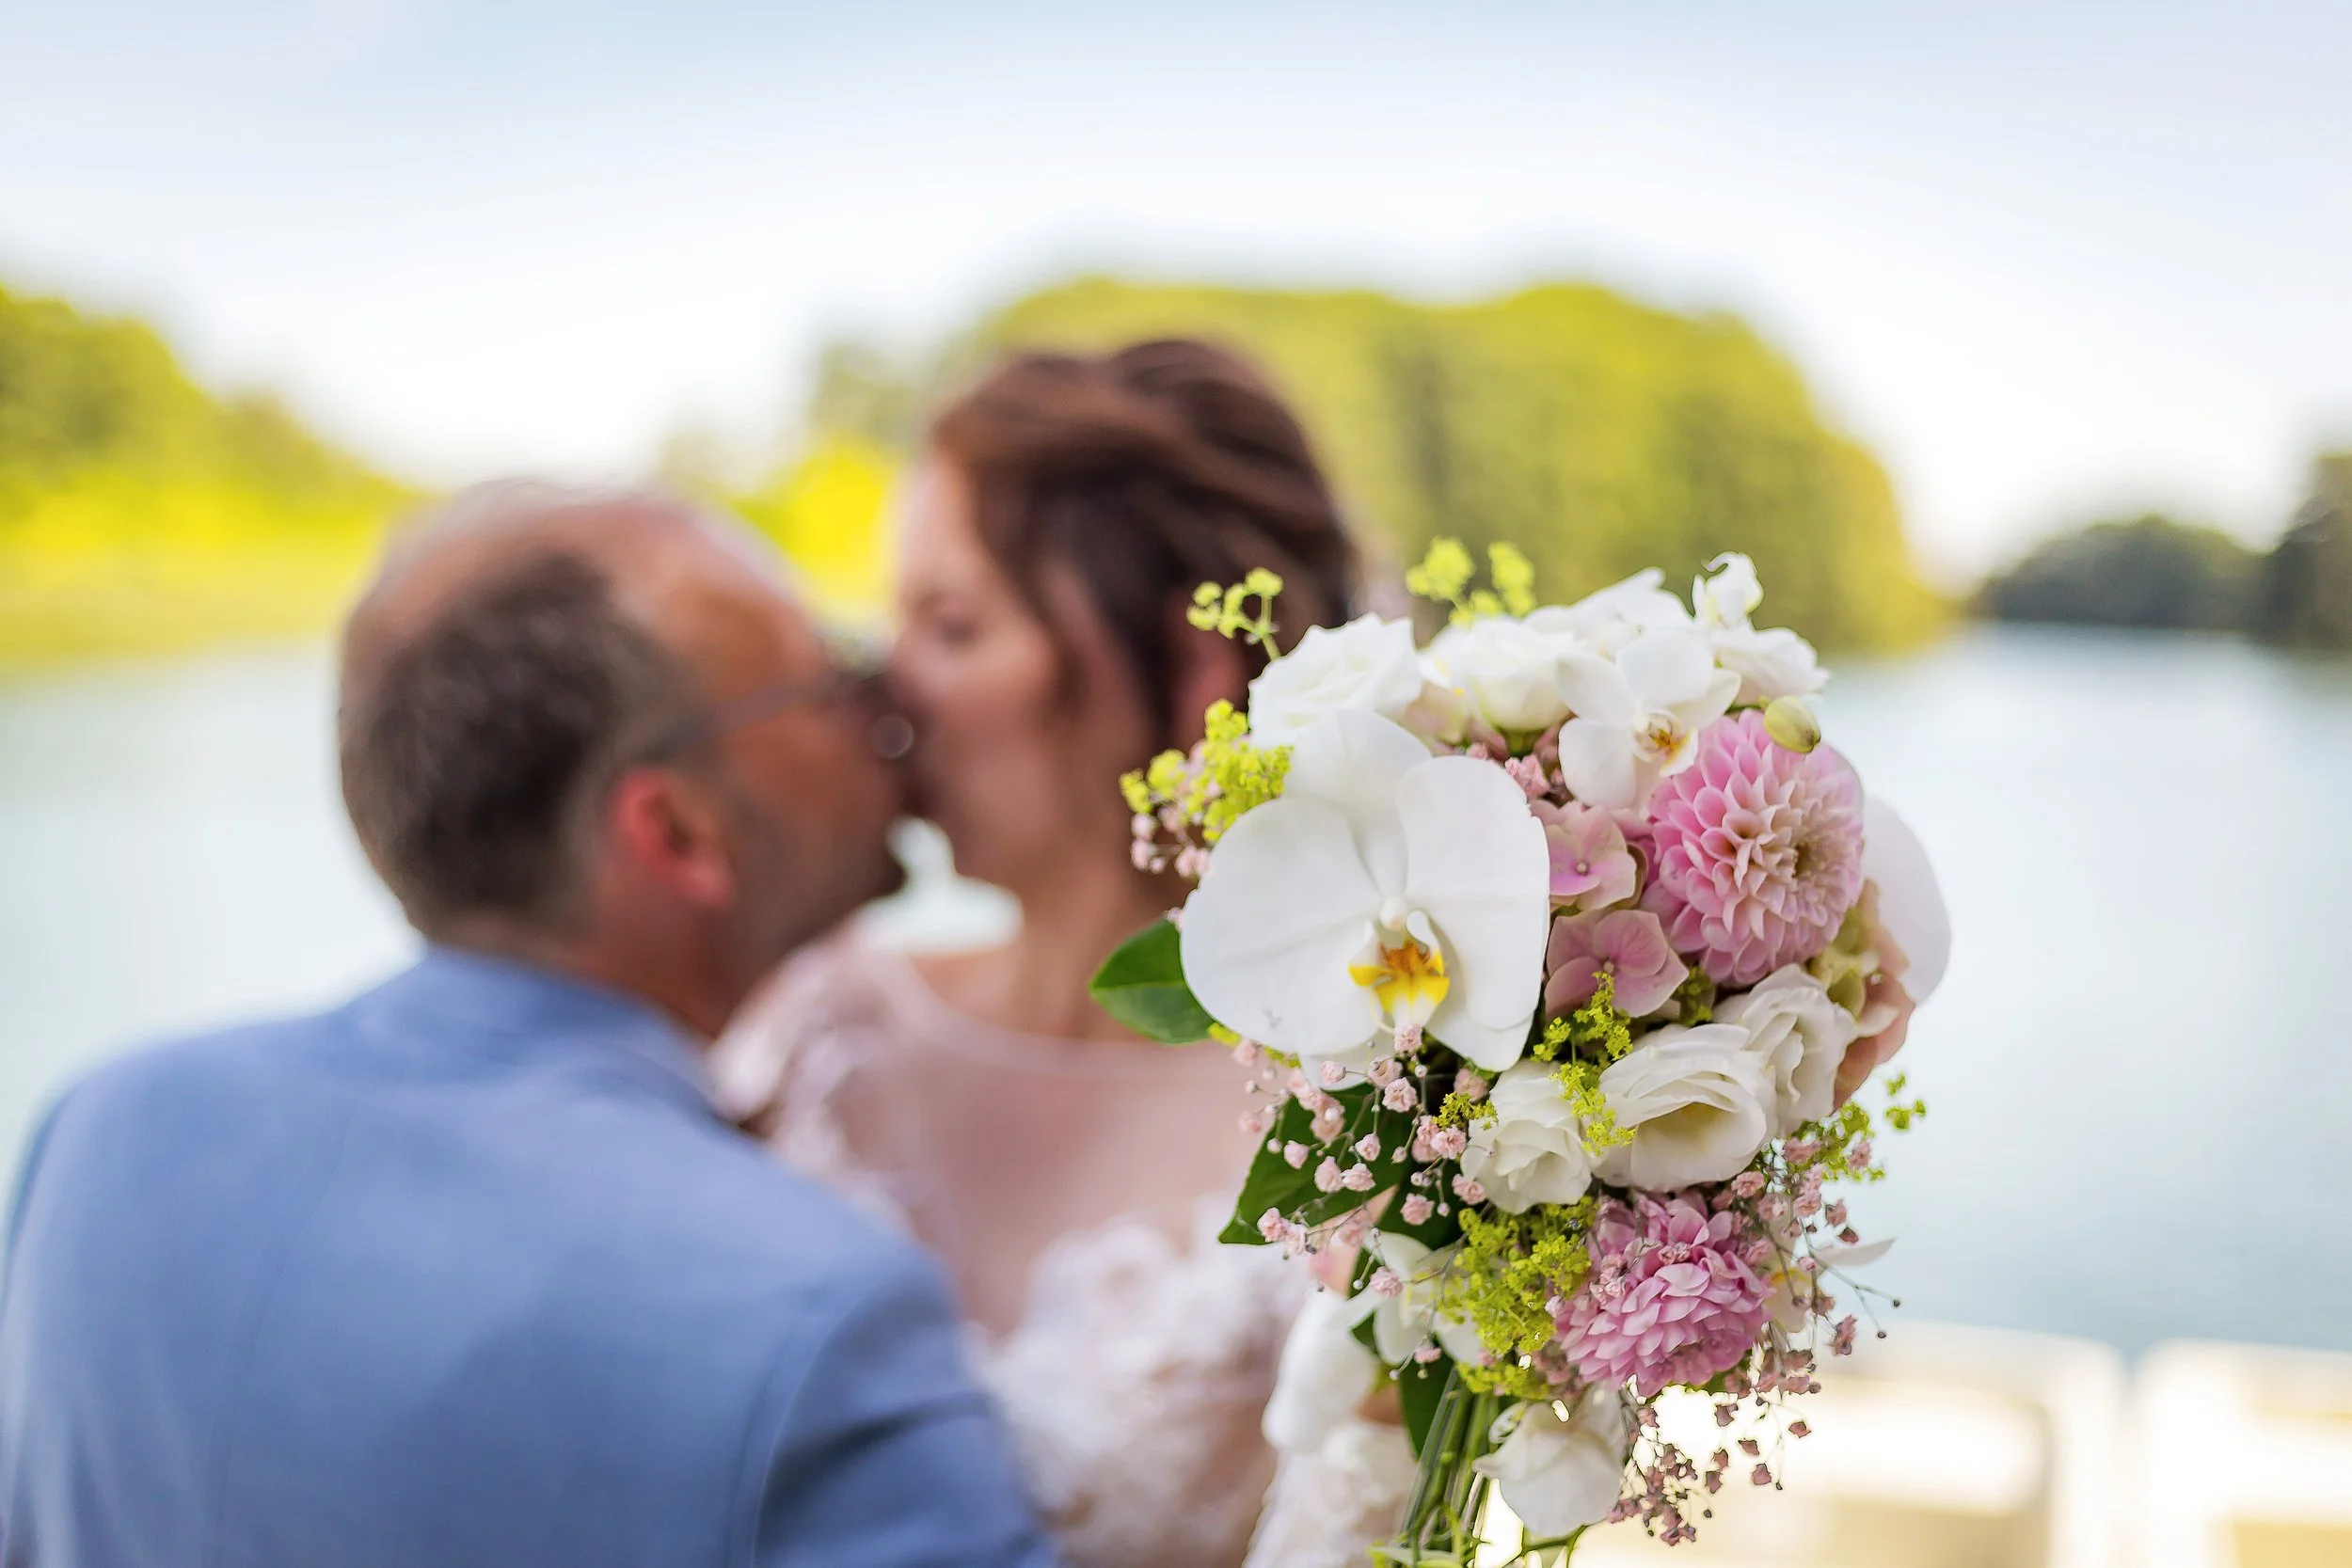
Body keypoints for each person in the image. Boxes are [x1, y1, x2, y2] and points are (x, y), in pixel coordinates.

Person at [0, 483, 1057, 1568]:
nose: (883, 703)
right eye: (828, 681)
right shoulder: (809, 1313)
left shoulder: (103, 1125)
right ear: (676, 831)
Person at [715, 341, 1409, 1568]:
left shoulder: (1368, 1127)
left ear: (1197, 669)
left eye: (953, 624)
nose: (883, 689)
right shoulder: (811, 1021)